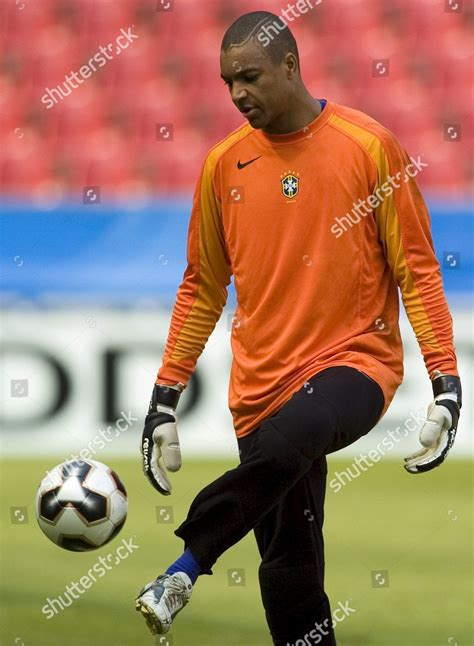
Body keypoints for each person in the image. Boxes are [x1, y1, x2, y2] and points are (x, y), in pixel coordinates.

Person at [135, 11, 462, 645]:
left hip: (355, 366)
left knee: (299, 436)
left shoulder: (369, 147)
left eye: (249, 77)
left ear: (291, 65)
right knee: (290, 569)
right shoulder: (222, 166)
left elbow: (417, 271)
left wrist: (445, 382)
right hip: (260, 387)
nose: (237, 95)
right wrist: (163, 399)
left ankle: (187, 564)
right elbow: (202, 287)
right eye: (227, 82)